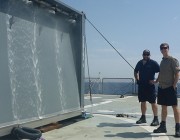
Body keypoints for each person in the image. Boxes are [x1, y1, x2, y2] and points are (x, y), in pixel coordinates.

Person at [153, 43, 180, 137]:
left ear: (168, 49)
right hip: (161, 87)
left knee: (174, 107)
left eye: (165, 48)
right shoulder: (162, 61)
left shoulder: (173, 60)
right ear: (160, 50)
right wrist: (156, 81)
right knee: (163, 107)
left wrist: (174, 85)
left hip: (170, 87)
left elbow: (177, 74)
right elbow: (161, 73)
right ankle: (163, 126)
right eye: (162, 48)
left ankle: (178, 128)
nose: (164, 49)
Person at [134, 49, 160, 126]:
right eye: (144, 54)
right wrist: (137, 79)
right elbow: (135, 71)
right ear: (142, 55)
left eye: (147, 54)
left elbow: (160, 71)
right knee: (142, 101)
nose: (146, 56)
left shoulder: (153, 63)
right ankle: (143, 117)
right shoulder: (139, 63)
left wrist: (156, 81)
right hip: (142, 86)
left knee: (153, 102)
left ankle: (156, 119)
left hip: (150, 86)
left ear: (149, 55)